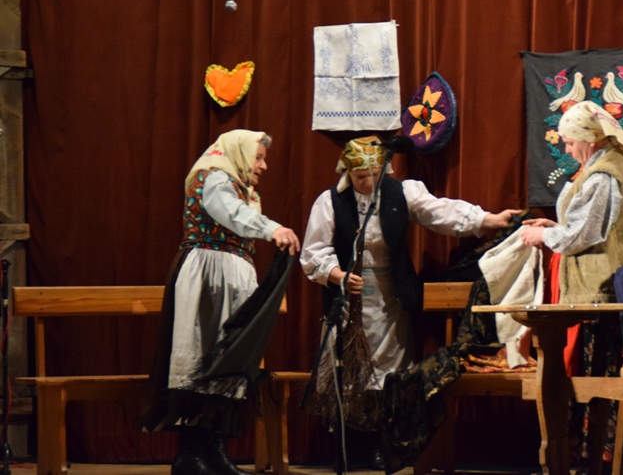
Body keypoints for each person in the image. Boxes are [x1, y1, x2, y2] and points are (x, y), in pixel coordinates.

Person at [300, 135, 520, 469]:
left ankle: (379, 442)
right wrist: (337, 275)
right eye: (360, 177)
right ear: (347, 172)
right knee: (347, 369)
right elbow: (315, 250)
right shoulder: (330, 202)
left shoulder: (401, 193)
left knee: (387, 368)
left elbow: (439, 212)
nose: (368, 183)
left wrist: (488, 220)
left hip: (390, 297)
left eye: (374, 175)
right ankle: (346, 444)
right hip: (347, 299)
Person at [141, 129, 300, 475]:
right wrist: (272, 229)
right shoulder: (214, 177)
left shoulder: (239, 186)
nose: (263, 166)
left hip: (228, 275)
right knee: (203, 359)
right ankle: (190, 455)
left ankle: (212, 452)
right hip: (208, 275)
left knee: (226, 361)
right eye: (258, 158)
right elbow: (230, 213)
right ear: (238, 152)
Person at [520, 99, 623, 472]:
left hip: (601, 293)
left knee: (598, 377)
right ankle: (594, 458)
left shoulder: (605, 174)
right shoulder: (601, 167)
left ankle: (603, 460)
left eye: (571, 142)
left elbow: (585, 234)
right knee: (591, 375)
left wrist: (545, 237)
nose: (568, 148)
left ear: (589, 140)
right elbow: (584, 226)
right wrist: (555, 228)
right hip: (596, 290)